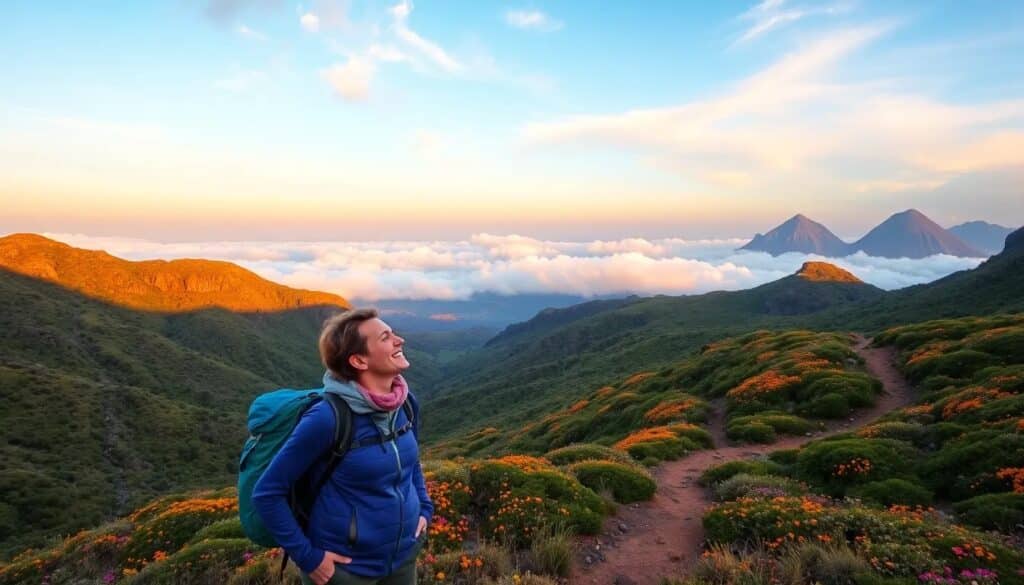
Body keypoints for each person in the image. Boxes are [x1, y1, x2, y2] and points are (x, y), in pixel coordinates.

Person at [253, 308, 434, 585]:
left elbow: (410, 464)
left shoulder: (406, 404)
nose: (400, 340)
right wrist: (309, 558)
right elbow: (267, 494)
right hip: (346, 571)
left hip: (402, 558)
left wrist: (424, 507)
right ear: (359, 360)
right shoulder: (327, 418)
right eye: (386, 337)